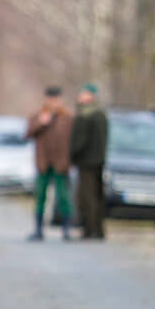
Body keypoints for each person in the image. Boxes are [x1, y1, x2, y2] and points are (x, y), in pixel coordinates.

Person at [25, 85, 73, 241]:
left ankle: (66, 230)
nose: (53, 102)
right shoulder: (38, 115)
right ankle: (38, 230)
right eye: (51, 99)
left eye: (56, 99)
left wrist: (69, 160)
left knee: (64, 196)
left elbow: (74, 140)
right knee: (40, 196)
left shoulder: (68, 117)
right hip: (43, 163)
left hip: (61, 163)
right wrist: (42, 122)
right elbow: (28, 134)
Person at [68, 83, 109, 240]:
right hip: (99, 160)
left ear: (90, 96)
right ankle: (98, 229)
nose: (80, 97)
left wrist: (72, 155)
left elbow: (79, 141)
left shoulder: (85, 115)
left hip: (86, 161)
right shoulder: (101, 114)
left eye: (83, 94)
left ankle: (90, 229)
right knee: (97, 195)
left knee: (87, 197)